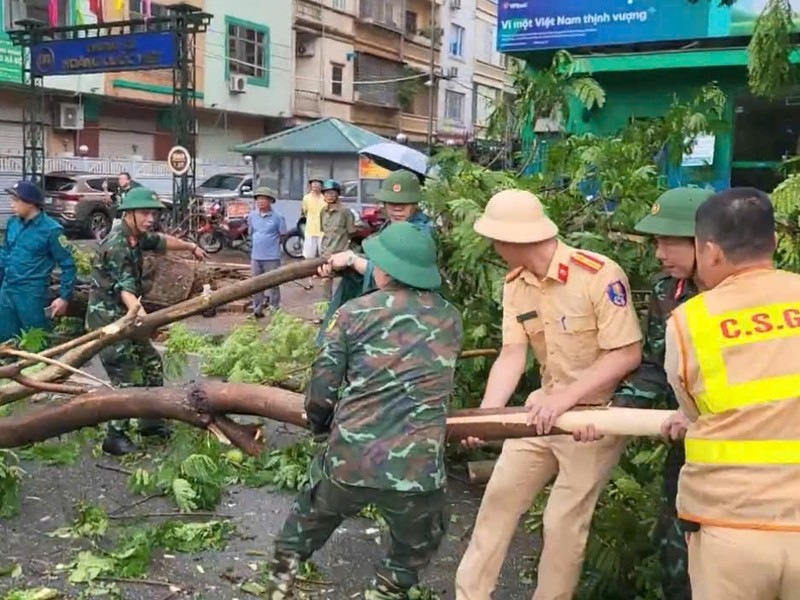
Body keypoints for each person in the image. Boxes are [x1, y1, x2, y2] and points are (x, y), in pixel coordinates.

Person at [455, 189, 643, 600]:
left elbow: (627, 353)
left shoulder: (597, 274)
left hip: (595, 418)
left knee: (562, 525)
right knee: (497, 503)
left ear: (512, 239)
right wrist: (486, 416)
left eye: (493, 238)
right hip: (542, 412)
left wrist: (567, 398)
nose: (491, 246)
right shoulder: (516, 285)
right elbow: (512, 353)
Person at [264, 222, 463, 600]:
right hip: (418, 469)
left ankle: (279, 580)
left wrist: (321, 430)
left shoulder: (353, 314)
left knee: (311, 515)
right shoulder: (451, 318)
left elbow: (321, 391)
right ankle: (388, 590)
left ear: (384, 269)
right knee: (417, 541)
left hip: (351, 457)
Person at [662, 188, 800, 600]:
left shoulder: (690, 322)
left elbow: (691, 409)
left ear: (711, 252)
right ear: (774, 242)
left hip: (730, 524)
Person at [611, 187, 713, 600]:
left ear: (705, 242)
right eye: (656, 242)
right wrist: (616, 411)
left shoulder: (751, 298)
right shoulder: (664, 293)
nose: (658, 254)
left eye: (668, 241)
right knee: (674, 551)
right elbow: (655, 366)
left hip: (744, 452)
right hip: (683, 447)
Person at [87, 188, 206, 456]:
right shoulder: (117, 245)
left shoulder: (136, 236)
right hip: (110, 322)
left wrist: (190, 247)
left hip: (128, 320)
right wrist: (143, 318)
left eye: (154, 213)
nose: (151, 218)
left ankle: (150, 422)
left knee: (152, 364)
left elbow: (160, 241)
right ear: (129, 214)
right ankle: (114, 437)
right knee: (127, 379)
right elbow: (125, 291)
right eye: (145, 213)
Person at [316, 170, 434, 339]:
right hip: (374, 312)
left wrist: (354, 261)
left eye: (404, 204)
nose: (397, 209)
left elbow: (399, 275)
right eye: (392, 203)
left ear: (415, 204)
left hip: (401, 320)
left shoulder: (422, 233)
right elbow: (370, 259)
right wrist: (339, 267)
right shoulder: (388, 227)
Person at [0, 180, 76, 344]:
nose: (11, 204)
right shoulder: (13, 223)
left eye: (16, 201)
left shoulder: (51, 230)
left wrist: (64, 297)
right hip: (7, 290)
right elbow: (5, 253)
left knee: (35, 341)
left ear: (31, 204)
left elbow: (68, 264)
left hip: (31, 294)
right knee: (5, 339)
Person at [248, 187, 287, 317]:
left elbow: (283, 235)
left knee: (273, 284)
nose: (260, 202)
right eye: (258, 199)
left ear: (270, 201)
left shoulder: (278, 218)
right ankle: (257, 309)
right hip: (256, 256)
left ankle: (274, 309)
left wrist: (272, 245)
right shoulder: (252, 215)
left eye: (264, 199)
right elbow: (251, 232)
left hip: (271, 257)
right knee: (256, 284)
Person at [319, 179, 356, 300]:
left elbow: (352, 232)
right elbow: (324, 232)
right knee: (325, 284)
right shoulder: (323, 211)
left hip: (341, 254)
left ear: (337, 194)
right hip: (326, 254)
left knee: (345, 285)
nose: (329, 196)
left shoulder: (345, 212)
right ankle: (325, 313)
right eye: (326, 193)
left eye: (332, 193)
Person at [301, 178, 325, 259]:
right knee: (309, 256)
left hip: (323, 230)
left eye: (317, 183)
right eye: (313, 183)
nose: (315, 185)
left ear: (321, 186)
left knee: (324, 255)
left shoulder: (325, 198)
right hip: (310, 230)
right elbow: (304, 211)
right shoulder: (306, 198)